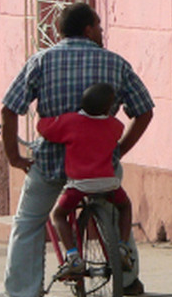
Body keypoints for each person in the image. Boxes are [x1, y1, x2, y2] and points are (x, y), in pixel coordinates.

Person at [0, 3, 154, 297]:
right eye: (100, 26)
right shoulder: (116, 64)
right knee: (113, 210)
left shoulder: (42, 61)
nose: (102, 32)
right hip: (102, 167)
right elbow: (144, 110)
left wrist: (13, 157)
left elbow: (9, 110)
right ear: (89, 29)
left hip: (52, 164)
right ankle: (128, 278)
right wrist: (117, 150)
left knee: (28, 223)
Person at [37, 82, 133, 277]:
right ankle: (123, 247)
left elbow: (44, 128)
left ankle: (73, 257)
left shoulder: (69, 122)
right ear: (109, 108)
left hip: (79, 185)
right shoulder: (115, 126)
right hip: (109, 183)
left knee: (58, 215)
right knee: (125, 207)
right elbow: (118, 133)